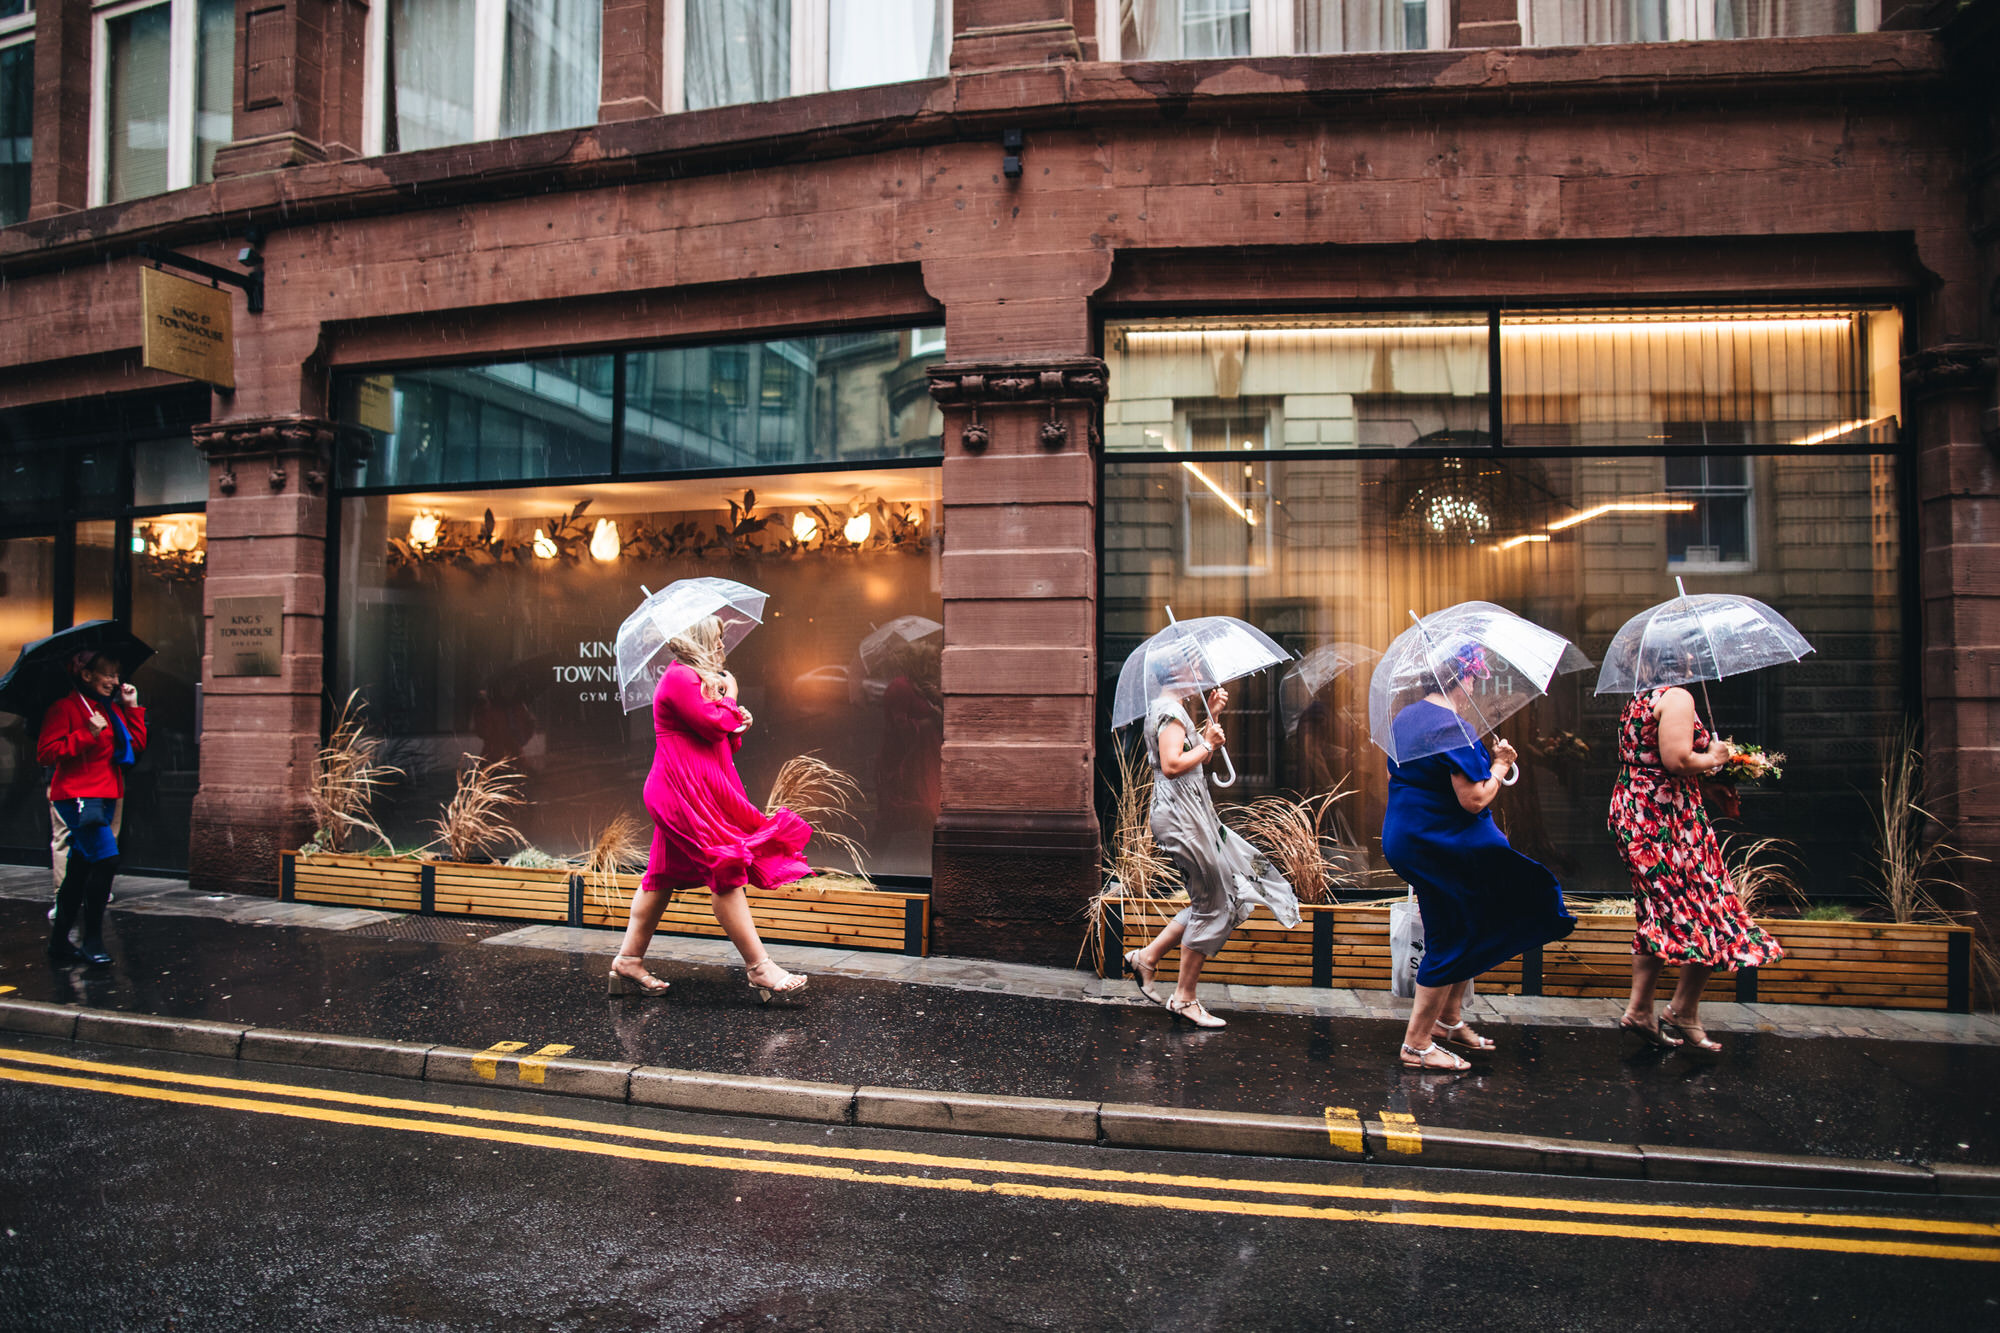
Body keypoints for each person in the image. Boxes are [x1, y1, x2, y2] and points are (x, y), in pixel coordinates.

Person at [1381, 643, 1575, 1071]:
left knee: (1466, 921)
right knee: (1452, 935)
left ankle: (1448, 1020)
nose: (1476, 685)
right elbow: (1474, 799)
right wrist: (1501, 766)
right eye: (1474, 678)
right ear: (1462, 679)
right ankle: (1416, 1045)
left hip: (1408, 836)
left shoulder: (1406, 717)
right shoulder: (1453, 727)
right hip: (1442, 844)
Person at [609, 615, 813, 1002]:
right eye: (717, 638)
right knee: (726, 867)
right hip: (680, 792)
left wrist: (736, 717)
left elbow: (717, 734)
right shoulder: (680, 677)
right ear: (700, 638)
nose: (722, 645)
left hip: (697, 789)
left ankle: (628, 960)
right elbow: (711, 722)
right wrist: (731, 698)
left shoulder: (696, 678)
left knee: (660, 878)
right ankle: (759, 968)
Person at [1609, 678, 1784, 1052]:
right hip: (1665, 818)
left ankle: (1648, 1011)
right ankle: (1678, 1011)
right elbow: (1678, 761)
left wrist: (1708, 785)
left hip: (1639, 810)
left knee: (1662, 910)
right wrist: (1716, 758)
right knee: (1705, 907)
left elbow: (1653, 761)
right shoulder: (1677, 697)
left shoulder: (1639, 699)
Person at [1123, 676, 1300, 1029]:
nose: (1199, 672)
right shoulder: (1170, 712)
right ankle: (1184, 998)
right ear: (1176, 670)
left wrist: (1211, 720)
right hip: (1183, 819)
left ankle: (1147, 958)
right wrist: (1208, 743)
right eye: (1193, 665)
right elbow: (1173, 765)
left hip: (1191, 816)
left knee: (1214, 897)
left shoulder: (1170, 710)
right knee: (1214, 903)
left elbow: (1186, 757)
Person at [37, 651, 146, 966]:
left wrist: (131, 707)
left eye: (116, 675)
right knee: (107, 859)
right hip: (76, 796)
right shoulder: (65, 708)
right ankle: (92, 940)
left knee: (80, 869)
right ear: (86, 675)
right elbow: (45, 753)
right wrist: (86, 734)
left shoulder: (107, 708)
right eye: (108, 675)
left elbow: (134, 745)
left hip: (106, 794)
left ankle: (59, 942)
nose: (114, 681)